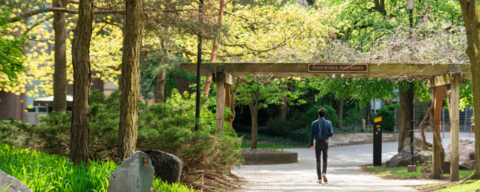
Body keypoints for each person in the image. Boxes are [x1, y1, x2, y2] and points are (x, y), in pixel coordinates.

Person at [310, 108, 333, 184]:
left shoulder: (314, 123)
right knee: (325, 159)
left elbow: (312, 135)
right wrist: (326, 135)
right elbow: (331, 133)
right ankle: (324, 173)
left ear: (318, 114)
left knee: (318, 160)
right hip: (325, 142)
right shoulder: (328, 123)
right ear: (325, 115)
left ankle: (319, 178)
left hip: (317, 142)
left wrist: (311, 144)